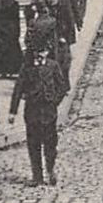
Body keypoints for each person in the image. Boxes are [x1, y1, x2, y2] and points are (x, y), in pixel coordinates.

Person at [9, 43, 70, 186]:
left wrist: (54, 101)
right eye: (37, 51)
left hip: (49, 112)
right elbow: (18, 89)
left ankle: (50, 170)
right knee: (33, 144)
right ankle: (37, 176)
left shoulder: (53, 66)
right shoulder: (27, 68)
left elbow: (62, 87)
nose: (40, 54)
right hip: (32, 111)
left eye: (43, 51)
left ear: (47, 52)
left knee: (50, 144)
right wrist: (13, 111)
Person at [54, 0, 78, 72]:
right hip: (63, 24)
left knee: (65, 41)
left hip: (66, 23)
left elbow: (74, 7)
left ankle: (66, 56)